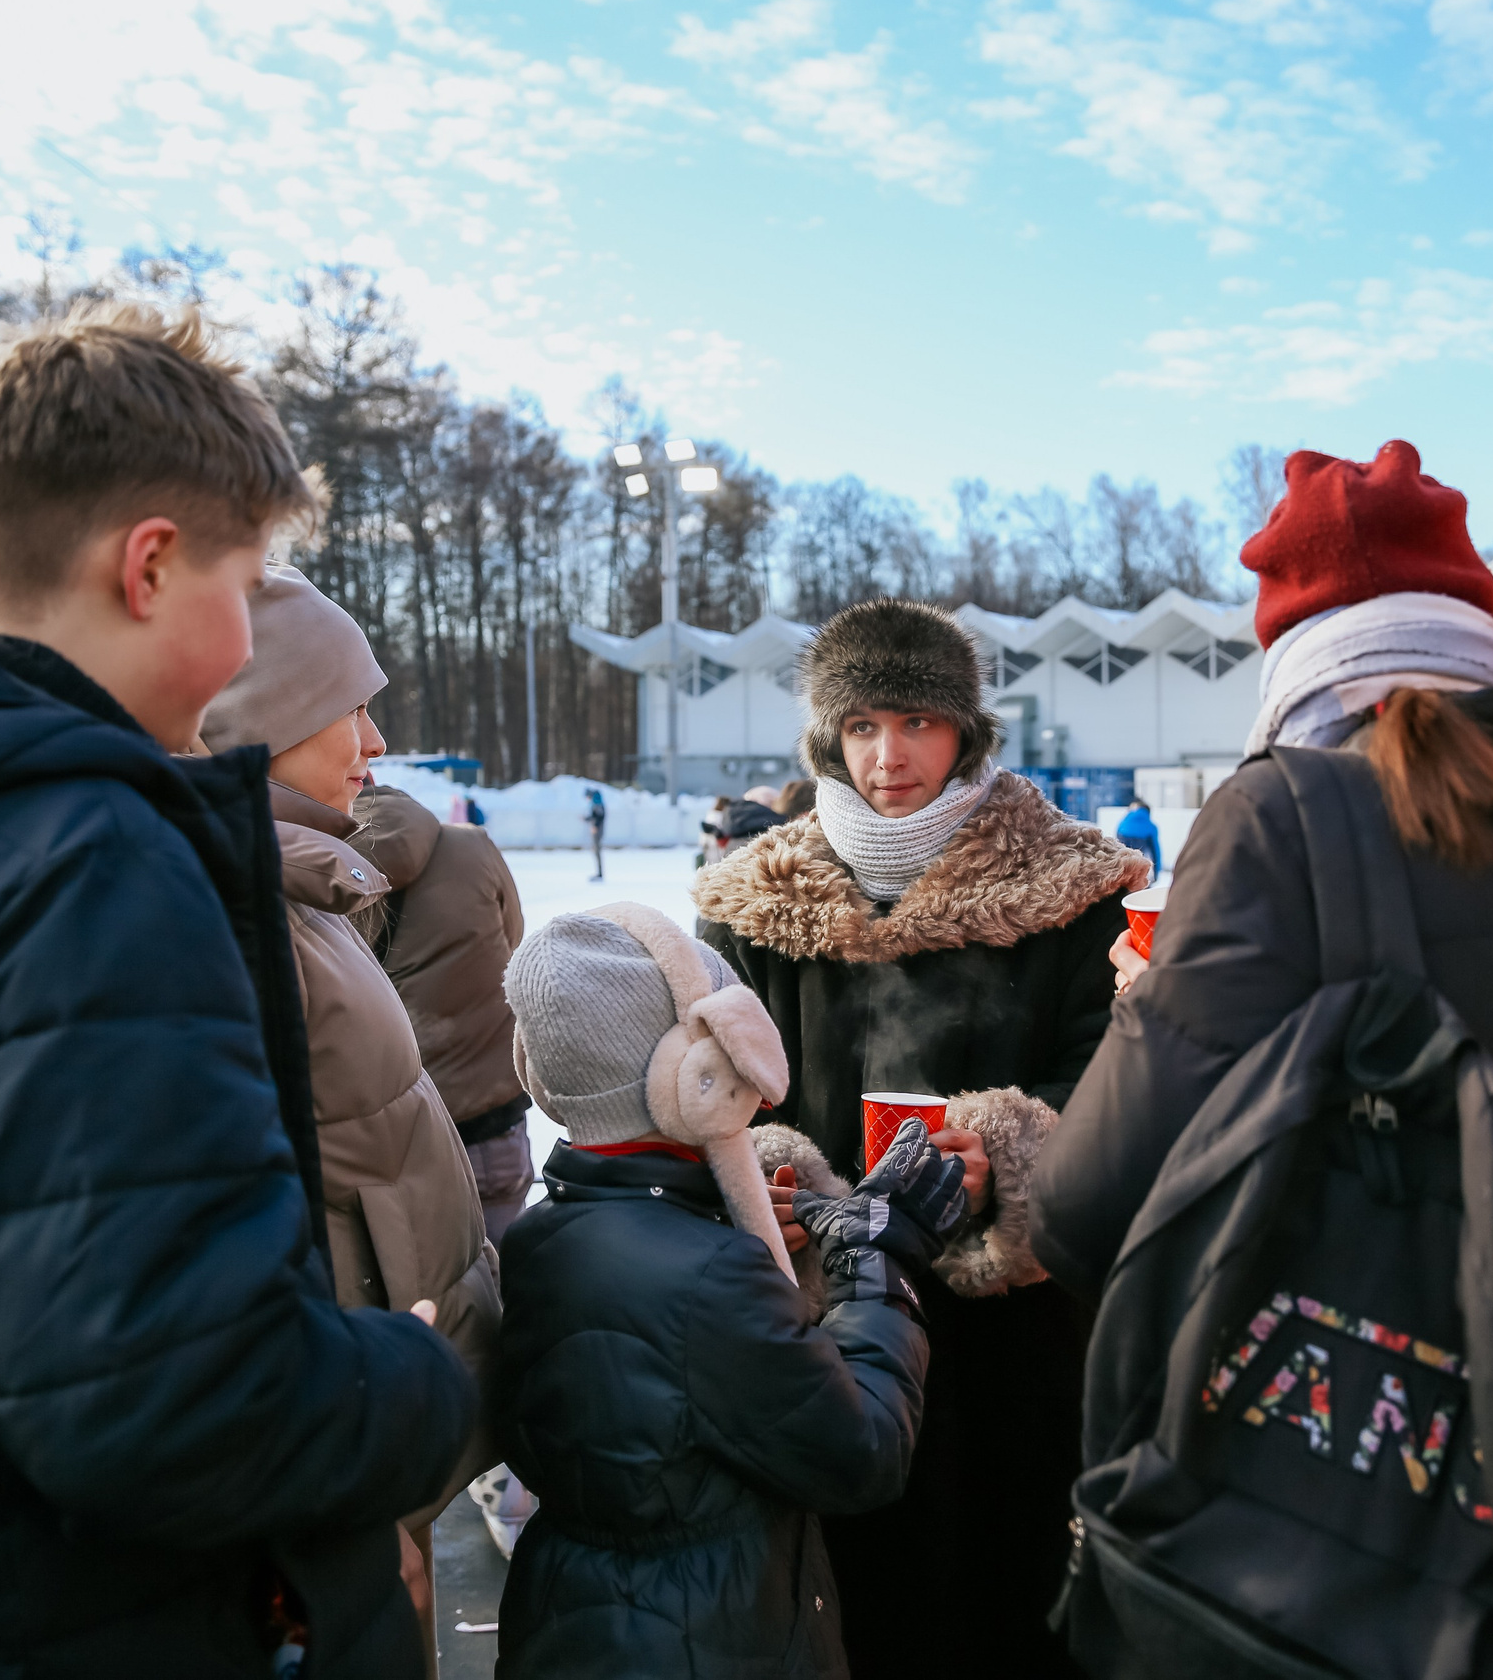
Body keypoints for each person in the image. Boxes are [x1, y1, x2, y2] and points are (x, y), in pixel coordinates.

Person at [0, 302, 473, 1676]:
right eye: (243, 587)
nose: (248, 649)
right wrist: (401, 1380)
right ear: (152, 565)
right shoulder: (81, 857)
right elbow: (162, 1401)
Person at [1031, 441, 1493, 1677]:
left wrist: (1156, 1010)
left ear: (1297, 652)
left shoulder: (1282, 820)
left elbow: (1084, 1205)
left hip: (1405, 1538)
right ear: (1476, 624)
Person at [694, 597, 1147, 1679]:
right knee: (851, 1589)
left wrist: (1013, 1147)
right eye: (861, 727)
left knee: (1005, 1582)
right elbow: (711, 1079)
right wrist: (780, 1172)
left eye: (915, 723)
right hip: (820, 1314)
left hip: (1009, 1323)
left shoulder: (1071, 885)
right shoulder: (753, 899)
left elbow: (1115, 1070)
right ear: (827, 739)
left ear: (965, 733)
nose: (887, 755)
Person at [492, 902, 965, 1678]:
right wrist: (877, 1257)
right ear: (693, 1072)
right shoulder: (708, 1276)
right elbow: (863, 1452)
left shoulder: (546, 1232)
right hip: (712, 1639)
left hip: (581, 1624)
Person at [200, 566, 505, 1656]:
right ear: (264, 721)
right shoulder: (242, 907)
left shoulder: (305, 887)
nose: (373, 743)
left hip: (381, 1409)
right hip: (342, 1435)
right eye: (349, 709)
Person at [351, 778, 535, 1247]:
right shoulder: (471, 847)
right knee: (505, 1282)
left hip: (393, 1138)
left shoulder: (326, 874)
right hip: (492, 1116)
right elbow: (514, 946)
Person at [1112, 795, 1163, 873]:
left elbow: (1116, 847)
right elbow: (1155, 851)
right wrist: (1157, 871)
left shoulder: (1122, 824)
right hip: (1140, 868)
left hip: (1122, 868)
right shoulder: (1151, 827)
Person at [584, 784, 608, 881]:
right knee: (596, 851)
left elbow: (599, 817)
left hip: (597, 832)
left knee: (597, 851)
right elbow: (594, 816)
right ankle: (599, 873)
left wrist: (595, 826)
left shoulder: (597, 804)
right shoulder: (596, 804)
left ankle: (599, 874)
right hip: (597, 830)